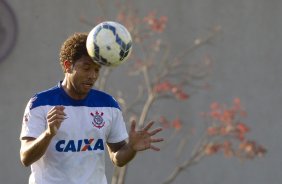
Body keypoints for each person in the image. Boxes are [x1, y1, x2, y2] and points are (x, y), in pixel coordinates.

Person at [19, 32, 163, 184]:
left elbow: (117, 158)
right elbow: (26, 158)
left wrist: (131, 148)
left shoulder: (108, 104)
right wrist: (48, 134)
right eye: (86, 68)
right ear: (68, 66)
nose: (92, 76)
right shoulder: (41, 103)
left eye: (96, 70)